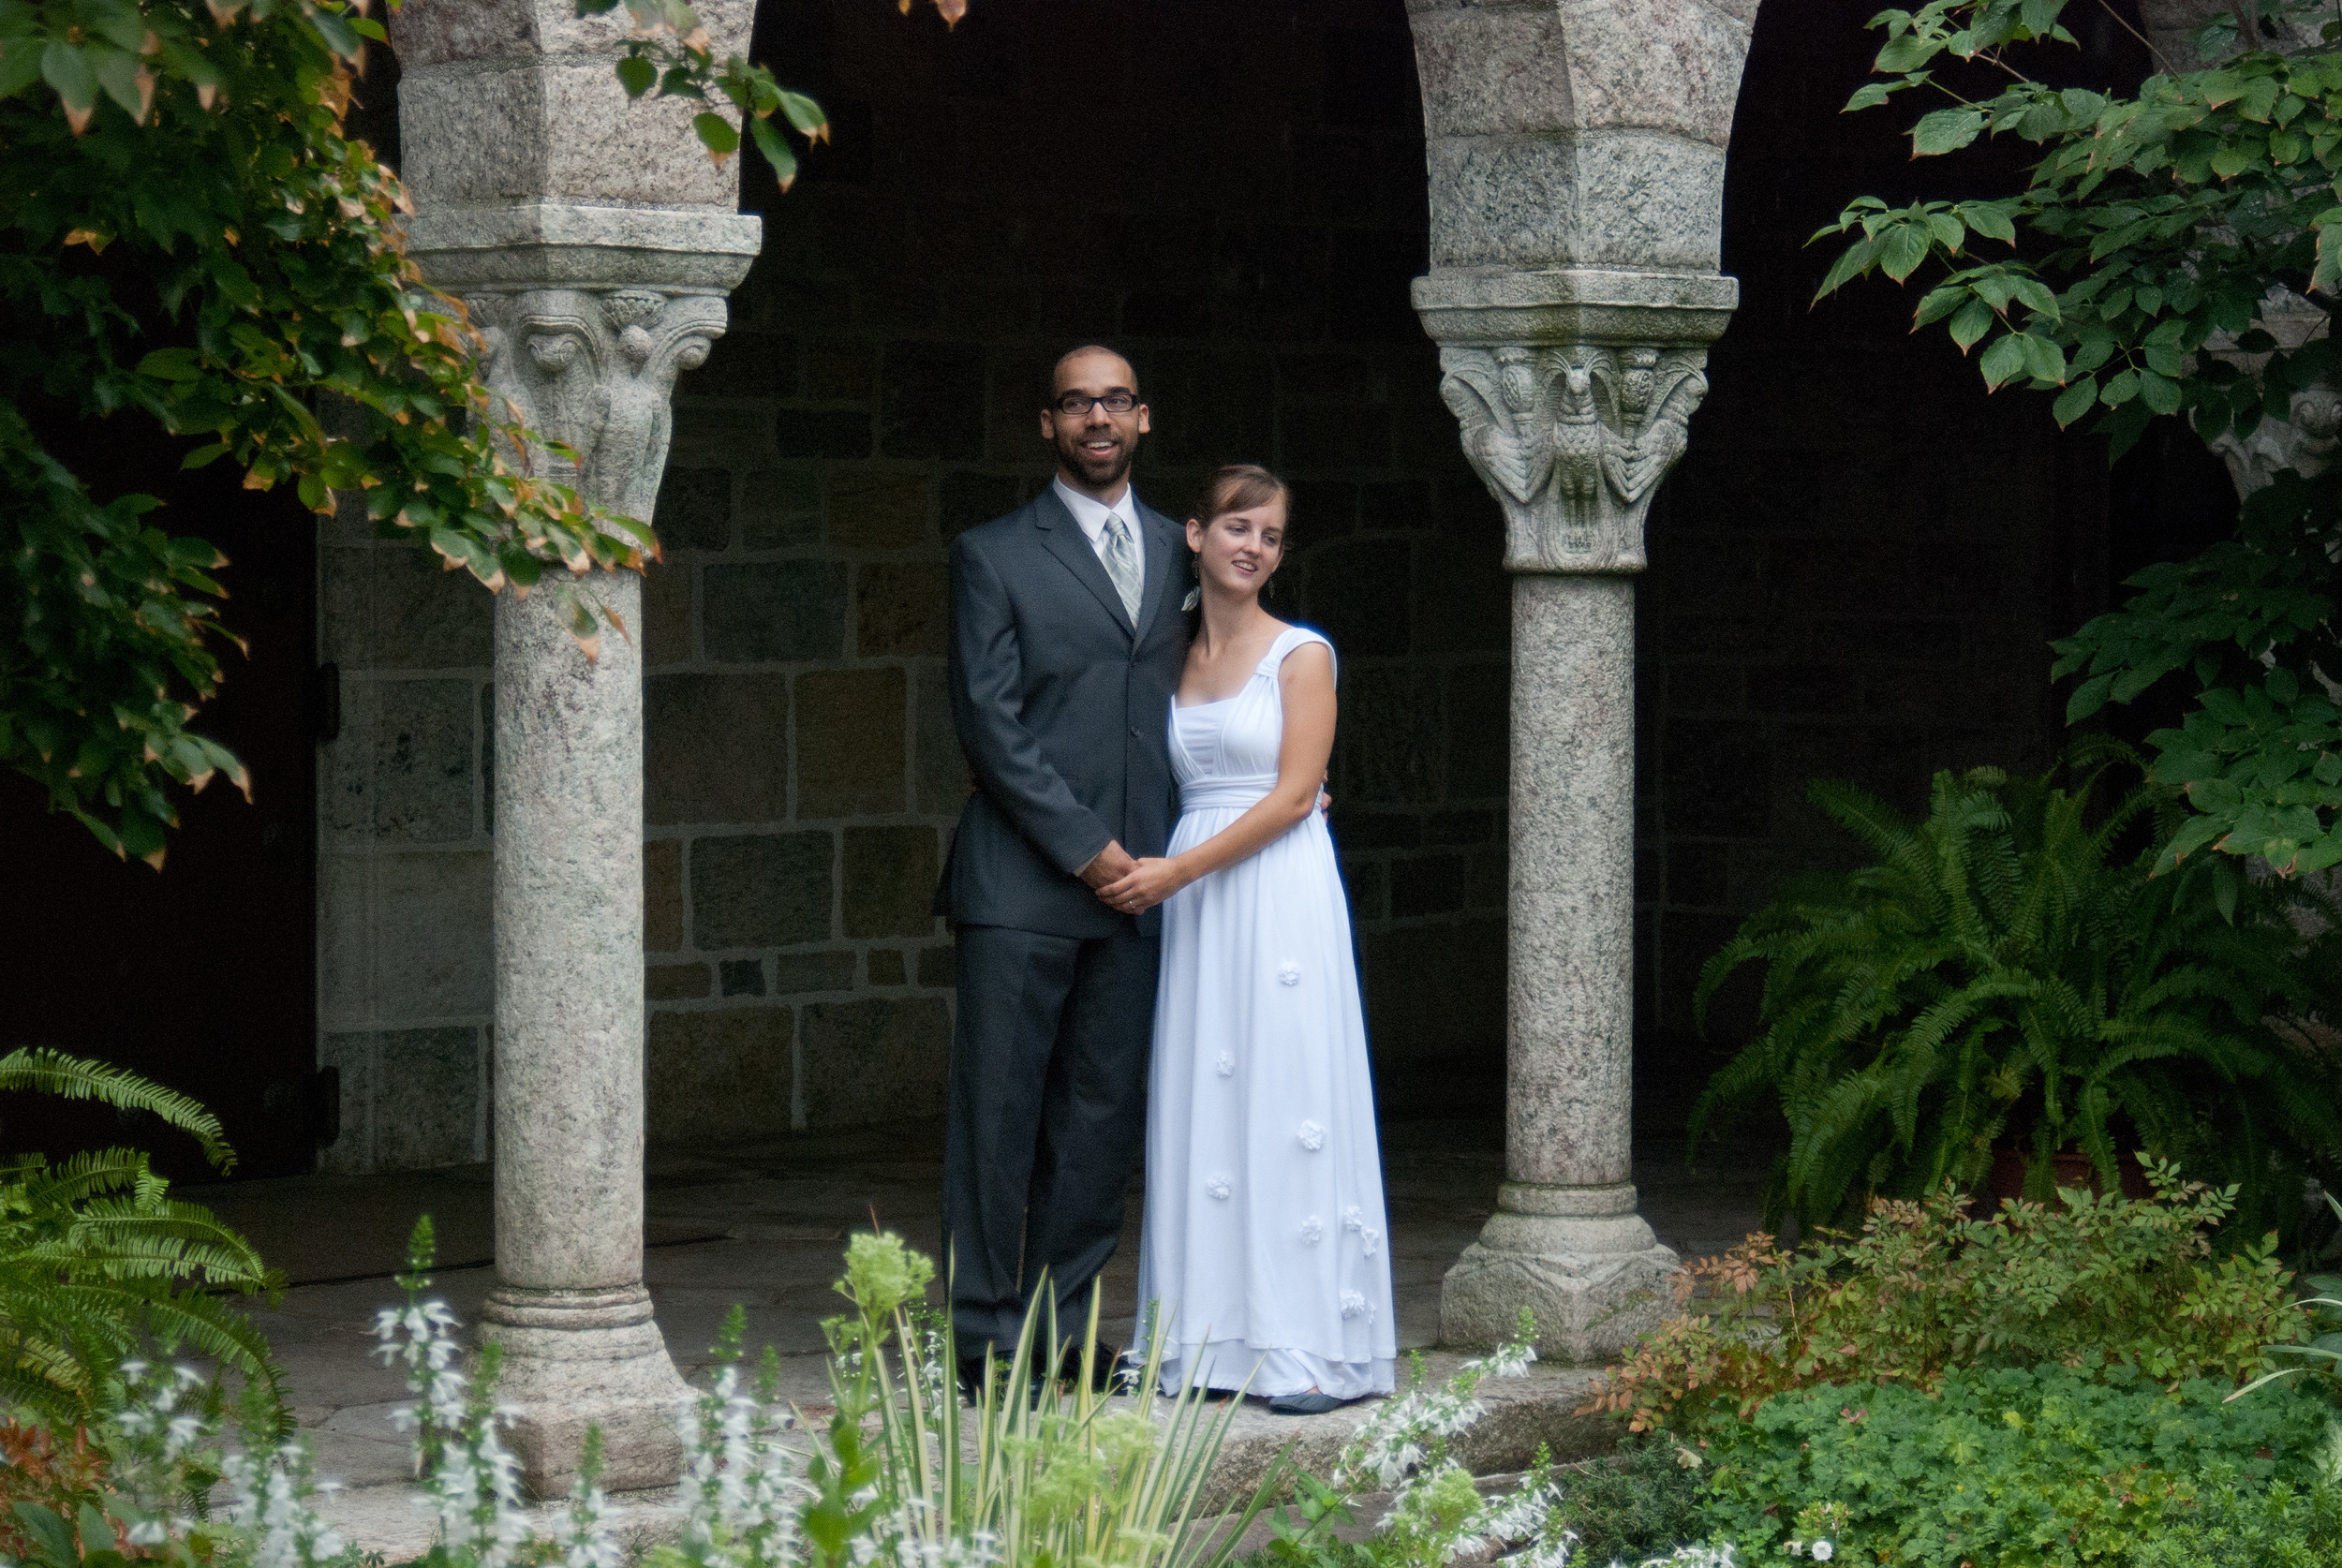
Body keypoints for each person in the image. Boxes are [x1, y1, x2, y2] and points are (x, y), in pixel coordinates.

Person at [1101, 465, 1397, 1414]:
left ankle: (1307, 1349)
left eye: (1268, 535)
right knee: (1202, 1098)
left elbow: (1291, 794)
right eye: (1236, 526)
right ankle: (1204, 1342)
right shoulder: (1167, 657)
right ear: (1194, 533)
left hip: (1271, 883)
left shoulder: (1301, 654)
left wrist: (1172, 875)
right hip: (1195, 884)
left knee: (1285, 1093)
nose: (1252, 546)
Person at [936, 346, 1186, 1394]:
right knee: (999, 1125)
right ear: (1047, 424)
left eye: (1114, 401)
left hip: (1142, 899)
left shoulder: (1183, 549)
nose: (1097, 418)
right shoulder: (993, 553)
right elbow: (989, 728)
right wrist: (1090, 852)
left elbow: (1224, 686)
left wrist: (1290, 780)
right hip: (1026, 888)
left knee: (1097, 1124)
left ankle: (1061, 1335)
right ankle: (986, 1344)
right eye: (1076, 404)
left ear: (1142, 418)